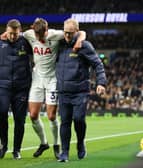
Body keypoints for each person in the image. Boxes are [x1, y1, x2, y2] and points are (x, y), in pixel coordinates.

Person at [23, 18, 86, 159]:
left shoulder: (56, 34)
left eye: (43, 35)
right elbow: (14, 35)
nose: (40, 39)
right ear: (33, 30)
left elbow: (81, 32)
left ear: (47, 30)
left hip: (52, 79)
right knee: (33, 115)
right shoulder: (29, 34)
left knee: (51, 116)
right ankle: (44, 143)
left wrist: (80, 40)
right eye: (37, 36)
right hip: (37, 79)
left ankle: (56, 145)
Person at [56, 18, 106, 162]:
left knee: (78, 119)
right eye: (65, 33)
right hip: (63, 91)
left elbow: (98, 65)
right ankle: (64, 152)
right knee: (65, 121)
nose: (67, 36)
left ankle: (80, 143)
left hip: (80, 91)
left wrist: (101, 83)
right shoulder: (58, 44)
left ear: (77, 32)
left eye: (71, 33)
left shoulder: (85, 46)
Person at [0, 19, 32, 159]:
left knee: (20, 120)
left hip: (21, 88)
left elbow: (40, 43)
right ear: (6, 31)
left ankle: (17, 150)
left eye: (15, 34)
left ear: (20, 31)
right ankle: (4, 145)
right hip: (3, 86)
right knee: (1, 115)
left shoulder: (26, 42)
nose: (13, 36)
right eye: (10, 33)